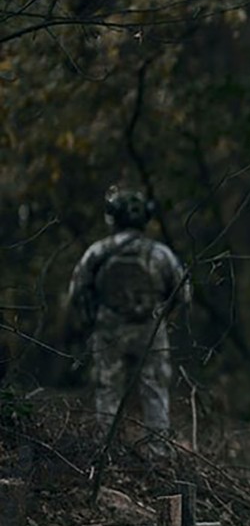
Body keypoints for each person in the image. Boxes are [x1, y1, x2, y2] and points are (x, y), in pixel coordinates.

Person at [67, 186, 190, 455]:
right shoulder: (161, 253)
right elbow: (182, 293)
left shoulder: (98, 251)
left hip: (109, 329)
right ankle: (158, 452)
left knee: (108, 389)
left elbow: (76, 291)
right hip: (150, 328)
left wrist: (91, 322)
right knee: (155, 389)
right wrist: (163, 320)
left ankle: (105, 452)